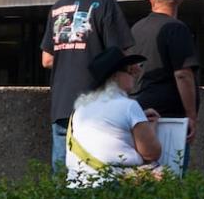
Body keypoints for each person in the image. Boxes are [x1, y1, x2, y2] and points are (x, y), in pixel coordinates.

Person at [42, 0, 133, 174]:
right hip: (96, 103)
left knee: (62, 172)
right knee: (95, 172)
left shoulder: (58, 7)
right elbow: (117, 53)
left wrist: (72, 53)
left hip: (61, 104)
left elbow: (46, 59)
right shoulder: (107, 4)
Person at [130, 0, 199, 172]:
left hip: (139, 113)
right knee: (171, 179)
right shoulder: (177, 28)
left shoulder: (136, 29)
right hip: (171, 118)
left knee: (142, 178)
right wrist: (191, 115)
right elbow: (183, 74)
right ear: (179, 0)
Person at [66, 48, 162, 186]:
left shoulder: (80, 110)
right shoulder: (129, 106)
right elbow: (151, 153)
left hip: (76, 186)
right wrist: (151, 127)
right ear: (116, 76)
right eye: (129, 70)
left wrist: (139, 120)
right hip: (112, 188)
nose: (134, 74)